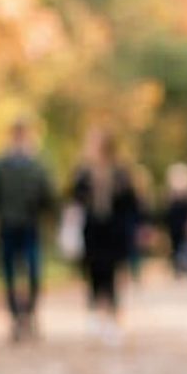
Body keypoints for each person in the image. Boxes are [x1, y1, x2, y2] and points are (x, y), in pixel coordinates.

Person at [0, 121, 58, 341]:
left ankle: (30, 313)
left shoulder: (37, 166)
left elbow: (49, 197)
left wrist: (49, 215)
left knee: (33, 272)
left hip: (30, 226)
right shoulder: (1, 165)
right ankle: (15, 317)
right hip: (7, 226)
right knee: (8, 274)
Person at [70, 130, 144, 339]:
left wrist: (134, 229)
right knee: (94, 272)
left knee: (112, 273)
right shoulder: (83, 172)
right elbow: (74, 200)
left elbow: (132, 204)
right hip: (93, 231)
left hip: (114, 232)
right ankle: (95, 312)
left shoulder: (121, 172)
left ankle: (112, 316)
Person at [162, 164, 187, 279]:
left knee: (182, 246)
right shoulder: (182, 199)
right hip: (179, 227)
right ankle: (183, 267)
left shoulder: (176, 200)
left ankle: (184, 267)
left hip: (179, 227)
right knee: (182, 246)